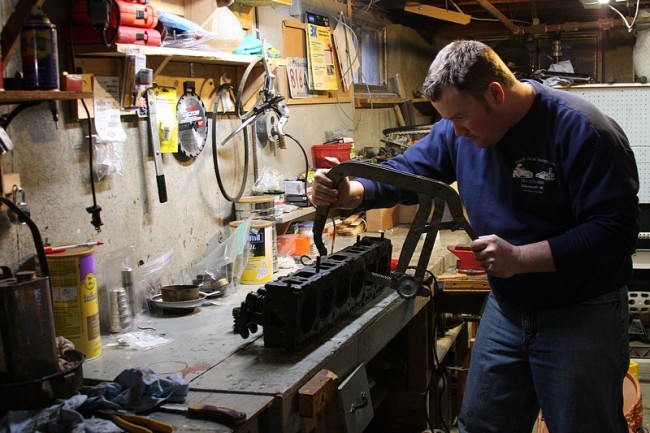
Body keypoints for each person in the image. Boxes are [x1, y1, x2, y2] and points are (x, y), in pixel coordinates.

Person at [311, 40, 640, 433]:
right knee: (482, 426)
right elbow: (411, 171)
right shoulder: (459, 131)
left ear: (496, 94)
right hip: (509, 308)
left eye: (462, 118)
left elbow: (614, 233)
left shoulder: (582, 130)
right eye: (448, 120)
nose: (455, 132)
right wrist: (354, 193)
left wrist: (521, 259)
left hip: (581, 310)